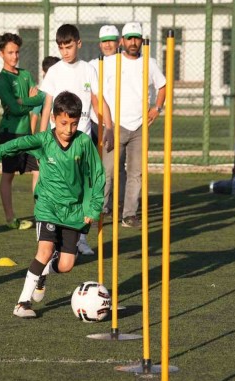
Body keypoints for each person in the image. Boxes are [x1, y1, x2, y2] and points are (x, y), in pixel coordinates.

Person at [0, 91, 105, 318]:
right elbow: (16, 144)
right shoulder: (44, 140)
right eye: (64, 123)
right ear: (54, 119)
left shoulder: (84, 143)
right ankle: (22, 303)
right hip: (47, 206)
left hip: (74, 211)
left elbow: (96, 175)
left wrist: (93, 208)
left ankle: (44, 272)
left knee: (66, 265)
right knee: (45, 250)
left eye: (74, 124)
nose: (68, 129)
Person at [39, 24, 114, 256]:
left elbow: (98, 99)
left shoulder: (89, 70)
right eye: (61, 47)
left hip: (81, 139)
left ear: (78, 44)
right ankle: (54, 240)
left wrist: (109, 126)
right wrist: (42, 140)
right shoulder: (55, 72)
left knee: (85, 191)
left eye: (68, 46)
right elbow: (47, 106)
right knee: (59, 191)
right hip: (57, 142)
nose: (65, 52)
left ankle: (80, 238)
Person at [103, 22, 166, 228]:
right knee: (108, 171)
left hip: (140, 126)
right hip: (115, 124)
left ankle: (129, 214)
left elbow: (163, 85)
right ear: (122, 41)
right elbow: (97, 87)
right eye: (129, 38)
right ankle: (101, 209)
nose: (133, 42)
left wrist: (157, 108)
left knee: (136, 172)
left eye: (136, 38)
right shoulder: (111, 62)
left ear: (141, 40)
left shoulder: (150, 62)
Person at [0, 33, 45, 230]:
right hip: (9, 133)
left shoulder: (25, 74)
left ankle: (40, 213)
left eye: (17, 52)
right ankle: (10, 218)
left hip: (27, 134)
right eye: (10, 52)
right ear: (1, 54)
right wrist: (28, 101)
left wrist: (22, 101)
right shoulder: (2, 80)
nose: (15, 56)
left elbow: (40, 99)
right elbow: (15, 109)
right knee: (8, 175)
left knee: (39, 171)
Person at [89, 25, 119, 216]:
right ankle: (93, 201)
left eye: (111, 40)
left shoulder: (125, 62)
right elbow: (92, 94)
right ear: (100, 44)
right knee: (93, 166)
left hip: (118, 122)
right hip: (94, 121)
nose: (108, 45)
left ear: (118, 42)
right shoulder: (92, 64)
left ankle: (103, 204)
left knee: (110, 168)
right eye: (104, 41)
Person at [30, 56, 60, 134]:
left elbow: (34, 117)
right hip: (51, 136)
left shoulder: (42, 92)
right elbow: (34, 116)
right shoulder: (42, 92)